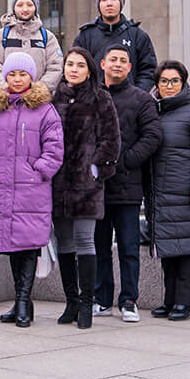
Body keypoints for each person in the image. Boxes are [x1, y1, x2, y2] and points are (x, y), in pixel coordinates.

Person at [0, 52, 64, 328]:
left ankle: (24, 301)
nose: (17, 79)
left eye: (22, 74)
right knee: (12, 246)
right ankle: (20, 300)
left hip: (31, 189)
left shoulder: (44, 109)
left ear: (31, 77)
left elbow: (54, 148)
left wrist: (38, 171)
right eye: (12, 74)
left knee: (28, 245)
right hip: (2, 186)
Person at [50, 47, 120, 329]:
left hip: (86, 184)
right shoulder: (55, 97)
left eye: (80, 65)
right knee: (64, 242)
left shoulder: (100, 97)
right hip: (58, 183)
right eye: (70, 64)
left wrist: (96, 169)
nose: (74, 69)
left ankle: (87, 303)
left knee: (85, 241)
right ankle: (71, 302)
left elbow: (111, 139)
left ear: (90, 70)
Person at [96, 43, 162, 323]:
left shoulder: (142, 99)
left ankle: (129, 300)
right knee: (99, 247)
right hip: (96, 188)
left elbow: (153, 136)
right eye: (113, 59)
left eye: (123, 60)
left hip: (127, 186)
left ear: (130, 67)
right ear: (103, 64)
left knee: (128, 248)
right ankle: (101, 299)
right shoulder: (93, 96)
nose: (118, 64)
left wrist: (123, 161)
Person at [148, 60, 190, 322]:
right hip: (161, 192)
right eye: (164, 81)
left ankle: (185, 302)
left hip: (188, 192)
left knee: (187, 249)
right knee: (168, 250)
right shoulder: (154, 110)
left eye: (175, 80)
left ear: (183, 82)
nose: (169, 86)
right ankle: (170, 299)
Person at [72, 0, 157, 91]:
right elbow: (76, 67)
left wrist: (136, 94)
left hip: (129, 98)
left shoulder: (137, 35)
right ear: (98, 5)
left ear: (121, 4)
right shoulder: (85, 35)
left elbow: (148, 70)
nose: (109, 3)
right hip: (95, 98)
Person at [0, 0, 63, 90]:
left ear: (35, 8)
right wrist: (5, 87)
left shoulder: (47, 37)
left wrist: (39, 90)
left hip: (38, 97)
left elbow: (55, 65)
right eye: (20, 5)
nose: (25, 9)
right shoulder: (1, 35)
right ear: (13, 9)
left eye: (30, 5)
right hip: (8, 95)